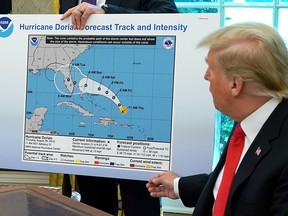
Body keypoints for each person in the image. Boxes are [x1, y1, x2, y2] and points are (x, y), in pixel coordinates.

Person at [146, 22, 288, 216]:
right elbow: (242, 182)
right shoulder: (251, 119)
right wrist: (179, 186)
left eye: (211, 68)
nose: (206, 76)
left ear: (235, 85)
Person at [60, 1, 178, 216]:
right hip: (90, 125)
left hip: (137, 120)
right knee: (93, 205)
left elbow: (169, 16)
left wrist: (107, 12)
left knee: (141, 204)